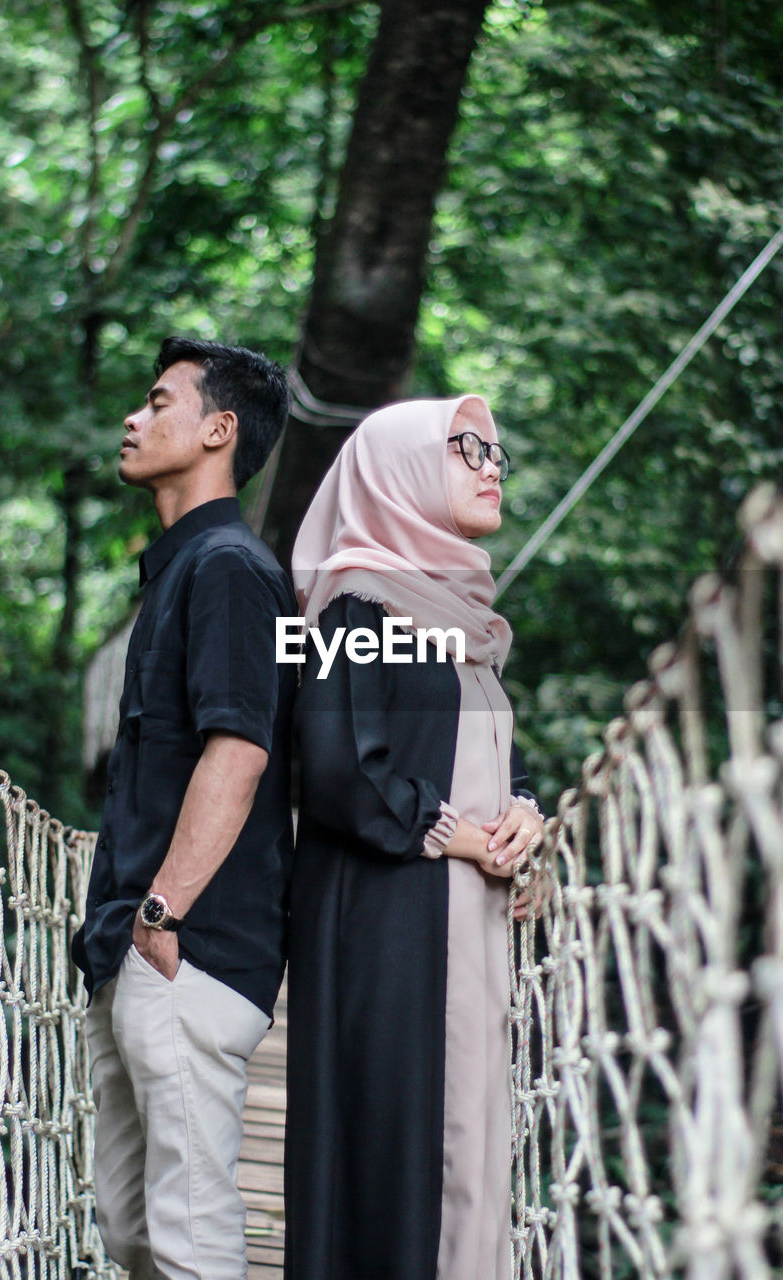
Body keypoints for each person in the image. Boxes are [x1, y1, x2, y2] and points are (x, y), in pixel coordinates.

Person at [284, 395, 546, 1280]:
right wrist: (464, 838)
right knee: (403, 1153)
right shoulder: (357, 609)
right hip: (390, 925)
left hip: (462, 924)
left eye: (496, 451)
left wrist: (523, 812)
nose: (490, 464)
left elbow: (482, 759)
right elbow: (334, 769)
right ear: (395, 471)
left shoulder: (462, 624)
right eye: (462, 447)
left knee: (467, 1140)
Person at [71, 336, 297, 1280]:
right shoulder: (179, 571)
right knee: (130, 1235)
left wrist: (164, 915)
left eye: (158, 401)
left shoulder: (233, 571)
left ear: (217, 429)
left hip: (184, 951)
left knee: (190, 1242)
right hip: (131, 945)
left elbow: (239, 749)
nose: (133, 416)